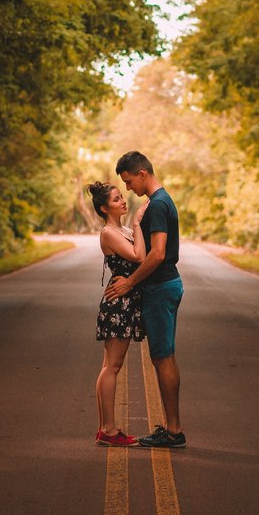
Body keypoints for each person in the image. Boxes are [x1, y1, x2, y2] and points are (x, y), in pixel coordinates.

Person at [105, 151, 185, 449]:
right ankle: (172, 427)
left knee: (163, 356)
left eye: (128, 182)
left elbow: (158, 253)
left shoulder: (159, 205)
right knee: (162, 356)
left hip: (161, 287)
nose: (128, 189)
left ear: (142, 173)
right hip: (163, 286)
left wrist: (129, 282)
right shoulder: (159, 202)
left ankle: (174, 431)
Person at [89, 180, 147, 447]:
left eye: (121, 196)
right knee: (112, 366)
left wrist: (133, 226)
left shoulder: (120, 229)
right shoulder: (110, 233)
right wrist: (137, 224)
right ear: (104, 208)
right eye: (115, 199)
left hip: (124, 300)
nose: (123, 201)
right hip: (118, 304)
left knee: (109, 366)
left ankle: (105, 429)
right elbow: (139, 256)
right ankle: (109, 430)